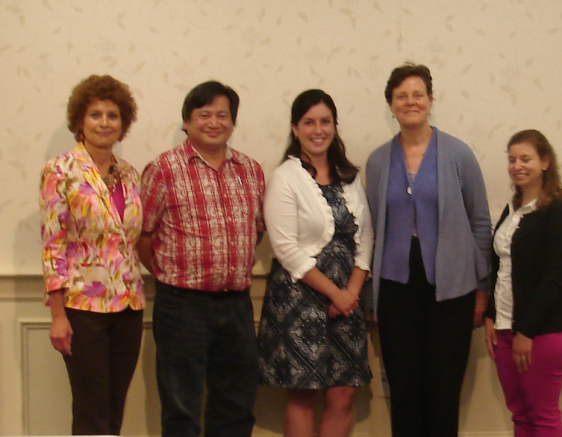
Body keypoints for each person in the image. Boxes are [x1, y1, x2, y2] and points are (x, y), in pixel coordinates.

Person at [365, 62, 492, 437]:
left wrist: (481, 287)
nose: (410, 102)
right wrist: (371, 299)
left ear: (430, 100)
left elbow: (480, 223)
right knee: (403, 390)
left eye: (417, 94)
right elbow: (370, 229)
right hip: (395, 290)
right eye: (401, 96)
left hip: (452, 291)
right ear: (391, 105)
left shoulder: (458, 154)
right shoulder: (377, 161)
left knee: (443, 391)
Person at [138, 80, 265, 437]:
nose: (214, 122)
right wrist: (168, 271)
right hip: (182, 306)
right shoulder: (163, 169)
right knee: (182, 408)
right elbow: (143, 236)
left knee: (236, 405)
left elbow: (257, 230)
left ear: (233, 122)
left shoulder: (250, 170)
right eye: (204, 114)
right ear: (187, 121)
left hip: (237, 305)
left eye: (222, 115)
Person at [257, 89, 374, 437]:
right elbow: (286, 250)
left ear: (335, 127)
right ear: (295, 128)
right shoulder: (285, 178)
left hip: (348, 302)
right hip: (299, 299)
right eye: (309, 122)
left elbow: (365, 237)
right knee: (304, 395)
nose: (318, 129)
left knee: (343, 393)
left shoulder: (350, 177)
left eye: (325, 121)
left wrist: (350, 293)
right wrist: (334, 294)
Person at [39, 74, 144, 435]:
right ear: (80, 122)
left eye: (112, 115)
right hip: (82, 309)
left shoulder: (130, 174)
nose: (104, 122)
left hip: (129, 305)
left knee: (114, 408)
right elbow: (53, 246)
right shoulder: (60, 171)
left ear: (123, 123)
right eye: (95, 114)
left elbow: (131, 239)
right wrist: (57, 316)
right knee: (91, 411)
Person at [484, 129, 562, 437]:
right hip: (505, 328)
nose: (517, 166)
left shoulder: (558, 214)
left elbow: (556, 280)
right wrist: (490, 316)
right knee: (520, 414)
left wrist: (526, 330)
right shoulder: (511, 211)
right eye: (512, 160)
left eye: (526, 159)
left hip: (543, 332)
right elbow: (498, 268)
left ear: (546, 162)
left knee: (543, 415)